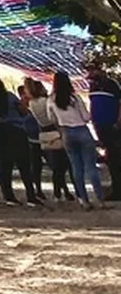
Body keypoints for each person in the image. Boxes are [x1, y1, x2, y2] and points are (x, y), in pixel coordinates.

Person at [50, 70, 106, 210]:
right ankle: (100, 198)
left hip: (66, 133)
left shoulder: (51, 100)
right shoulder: (74, 98)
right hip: (81, 130)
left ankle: (83, 200)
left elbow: (52, 119)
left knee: (76, 167)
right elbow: (86, 117)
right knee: (91, 166)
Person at [0, 74, 40, 205]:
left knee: (5, 164)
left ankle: (9, 196)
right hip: (16, 129)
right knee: (24, 163)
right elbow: (23, 111)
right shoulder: (9, 96)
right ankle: (31, 196)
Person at [25, 77, 71, 201]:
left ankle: (56, 192)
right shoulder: (47, 101)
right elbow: (53, 117)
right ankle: (62, 191)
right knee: (62, 163)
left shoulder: (32, 103)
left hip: (43, 133)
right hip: (55, 130)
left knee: (52, 164)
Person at [86, 63, 121, 201]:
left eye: (92, 69)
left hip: (113, 125)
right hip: (101, 127)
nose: (90, 73)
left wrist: (118, 119)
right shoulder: (92, 86)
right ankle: (116, 188)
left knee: (116, 156)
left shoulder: (112, 84)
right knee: (111, 158)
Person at [17, 81, 46, 201]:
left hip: (41, 136)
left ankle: (57, 189)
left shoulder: (36, 103)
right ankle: (38, 189)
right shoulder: (24, 105)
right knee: (36, 165)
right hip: (33, 138)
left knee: (45, 164)